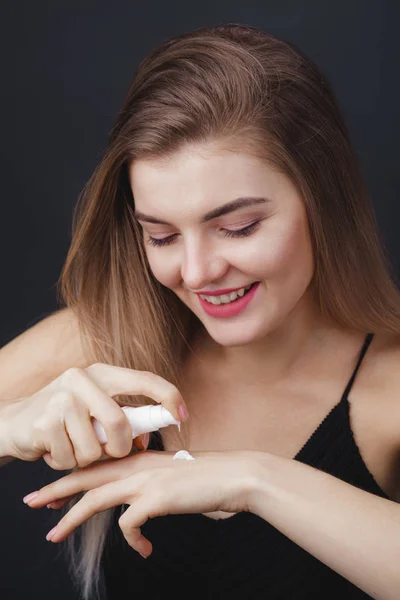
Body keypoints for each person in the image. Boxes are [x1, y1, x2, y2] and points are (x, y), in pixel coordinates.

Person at [1, 22, 399, 600]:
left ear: (323, 201)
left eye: (238, 227)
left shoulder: (388, 389)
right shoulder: (100, 341)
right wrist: (7, 426)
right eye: (161, 237)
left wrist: (253, 480)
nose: (196, 271)